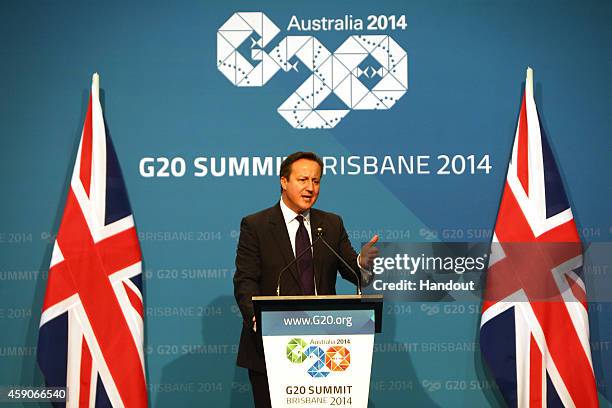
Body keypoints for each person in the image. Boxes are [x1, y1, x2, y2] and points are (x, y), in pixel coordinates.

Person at [233, 151, 379, 408]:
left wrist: (361, 264)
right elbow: (245, 279)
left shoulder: (331, 224)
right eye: (303, 180)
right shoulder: (256, 225)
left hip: (324, 347)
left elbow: (350, 268)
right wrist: (256, 318)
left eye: (316, 181)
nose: (310, 188)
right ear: (284, 181)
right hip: (272, 346)